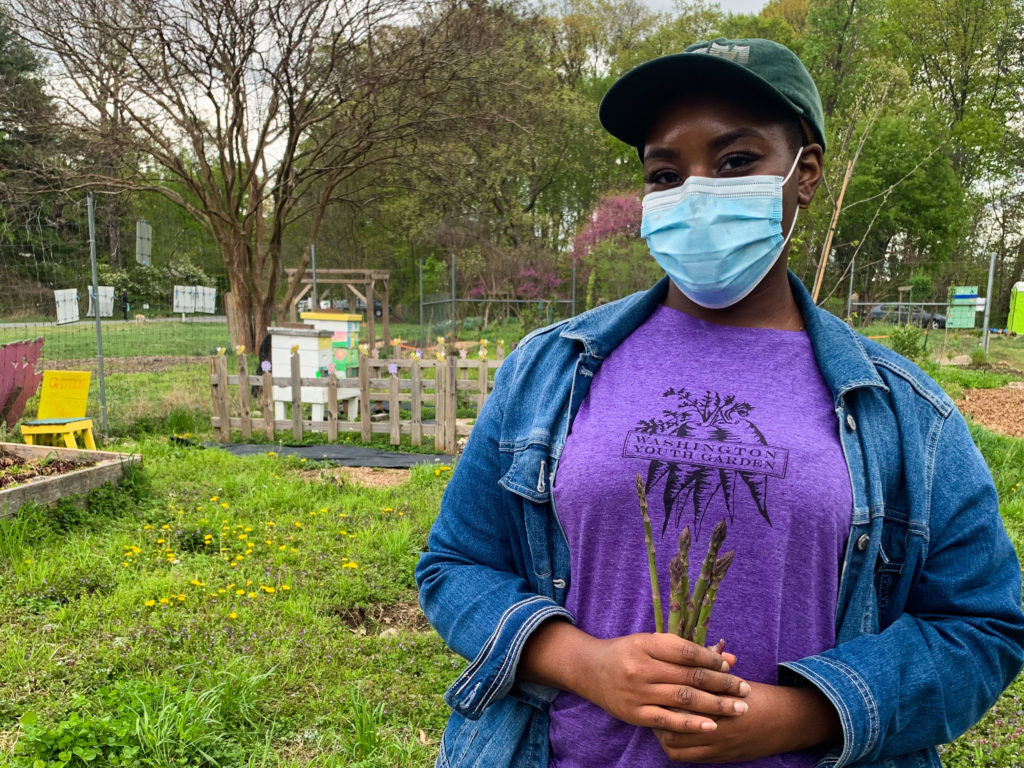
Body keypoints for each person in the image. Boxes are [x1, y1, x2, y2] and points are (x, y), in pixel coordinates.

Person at [415, 38, 1024, 768]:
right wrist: (586, 665)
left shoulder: (908, 414)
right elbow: (456, 563)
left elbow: (982, 627)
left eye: (736, 162)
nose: (696, 193)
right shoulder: (546, 371)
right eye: (666, 173)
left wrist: (805, 713)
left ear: (807, 174)